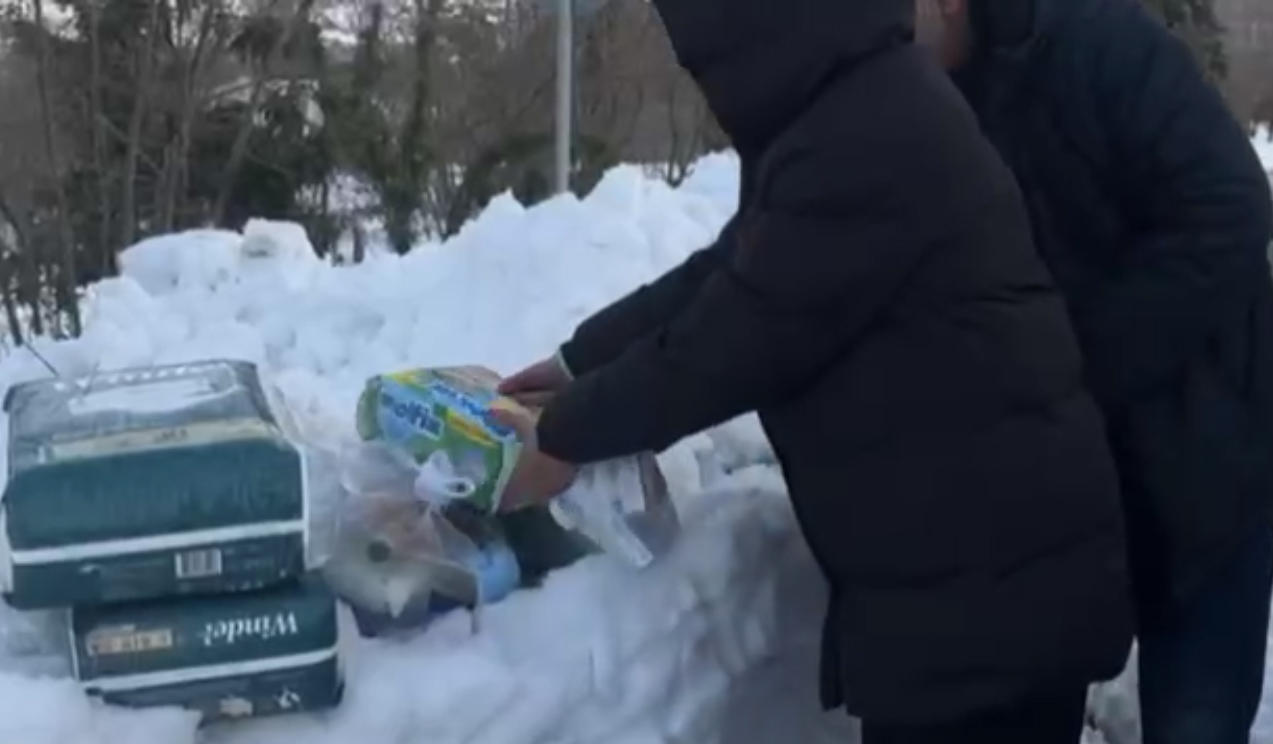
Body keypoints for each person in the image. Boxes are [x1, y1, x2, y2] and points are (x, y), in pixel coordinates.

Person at [494, 0, 1133, 741]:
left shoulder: (866, 134)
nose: (706, 84)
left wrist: (563, 438)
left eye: (705, 61)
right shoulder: (849, 107)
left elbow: (740, 335)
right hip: (976, 581)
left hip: (988, 597)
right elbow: (732, 269)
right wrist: (575, 362)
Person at [911, 0, 1273, 742]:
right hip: (1073, 489)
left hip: (1207, 460)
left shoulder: (1098, 44)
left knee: (1194, 719)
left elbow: (1233, 209)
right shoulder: (927, 99)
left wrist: (1068, 359)